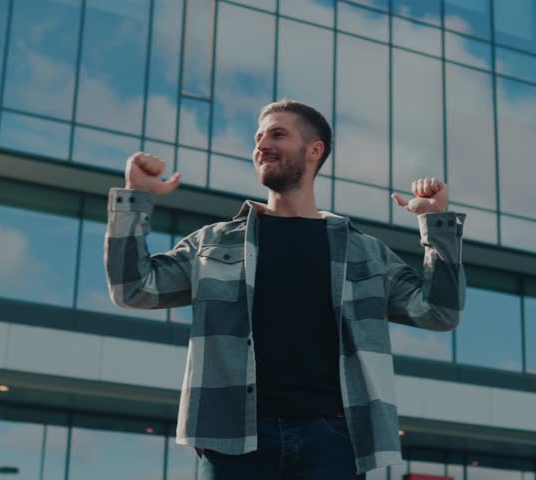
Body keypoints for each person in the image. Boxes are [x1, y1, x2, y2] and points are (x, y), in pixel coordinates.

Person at [105, 99, 466, 479]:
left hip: (335, 440)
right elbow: (133, 288)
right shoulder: (213, 243)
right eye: (259, 137)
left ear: (314, 150)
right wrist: (136, 198)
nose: (262, 144)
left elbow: (440, 312)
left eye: (277, 134)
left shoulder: (365, 252)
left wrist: (435, 223)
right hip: (235, 440)